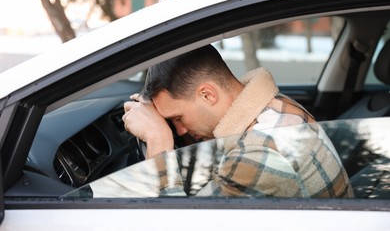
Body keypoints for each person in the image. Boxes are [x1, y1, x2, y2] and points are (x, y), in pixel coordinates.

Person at [122, 44, 354, 198]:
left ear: (207, 95)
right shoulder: (275, 106)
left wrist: (158, 140)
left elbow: (173, 222)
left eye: (177, 118)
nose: (180, 130)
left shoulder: (258, 149)